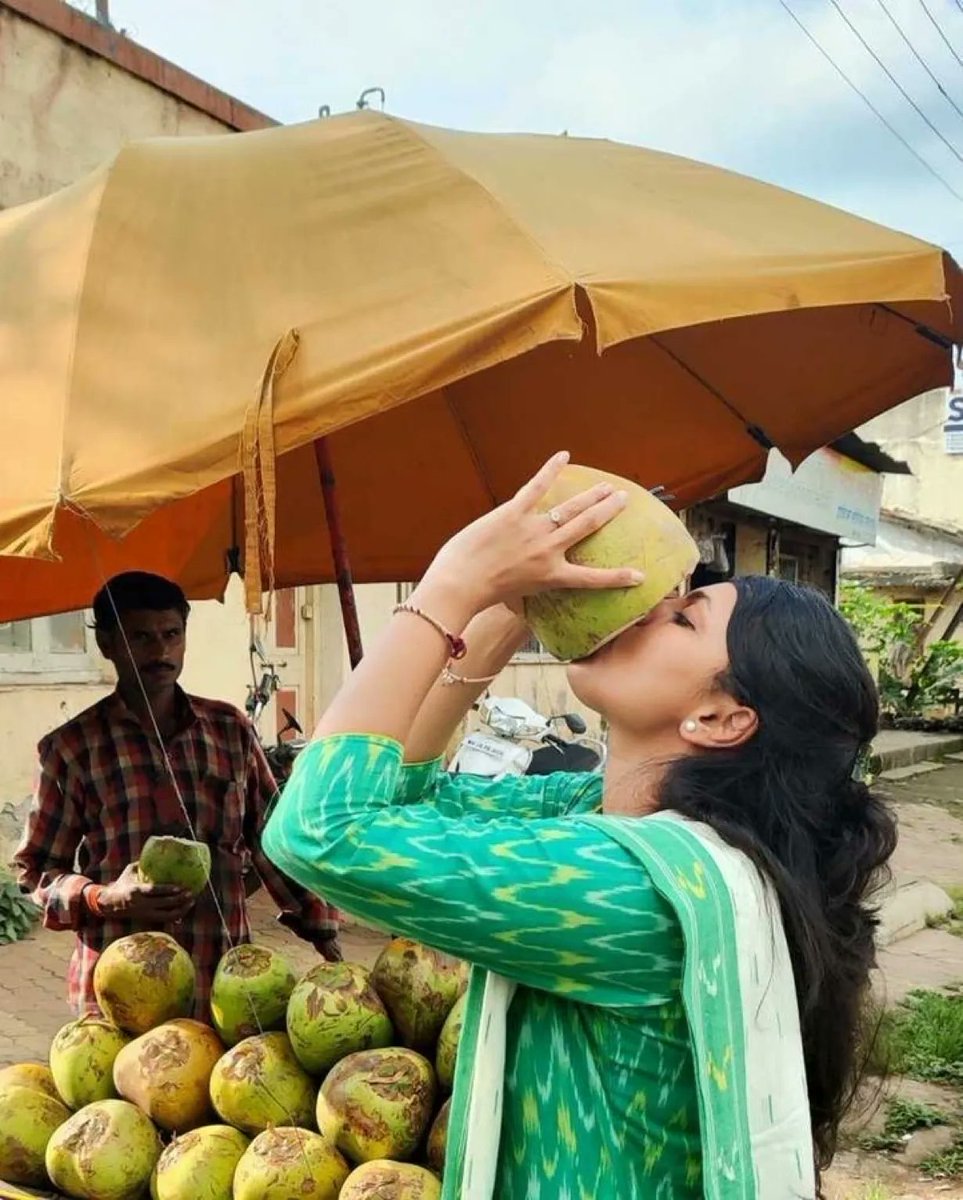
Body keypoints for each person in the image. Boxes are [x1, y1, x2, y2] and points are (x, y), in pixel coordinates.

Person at [262, 453, 897, 1200]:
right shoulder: (589, 811)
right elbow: (399, 798)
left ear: (720, 718)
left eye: (683, 615)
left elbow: (316, 830)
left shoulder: (636, 892)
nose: (650, 604)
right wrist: (496, 626)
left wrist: (449, 588)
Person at [15, 571, 340, 1020]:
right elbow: (34, 872)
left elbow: (273, 842)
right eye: (141, 638)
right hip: (120, 998)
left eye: (172, 634)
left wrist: (320, 927)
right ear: (108, 644)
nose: (161, 651)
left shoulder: (229, 731)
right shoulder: (71, 749)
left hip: (222, 986)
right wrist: (103, 896)